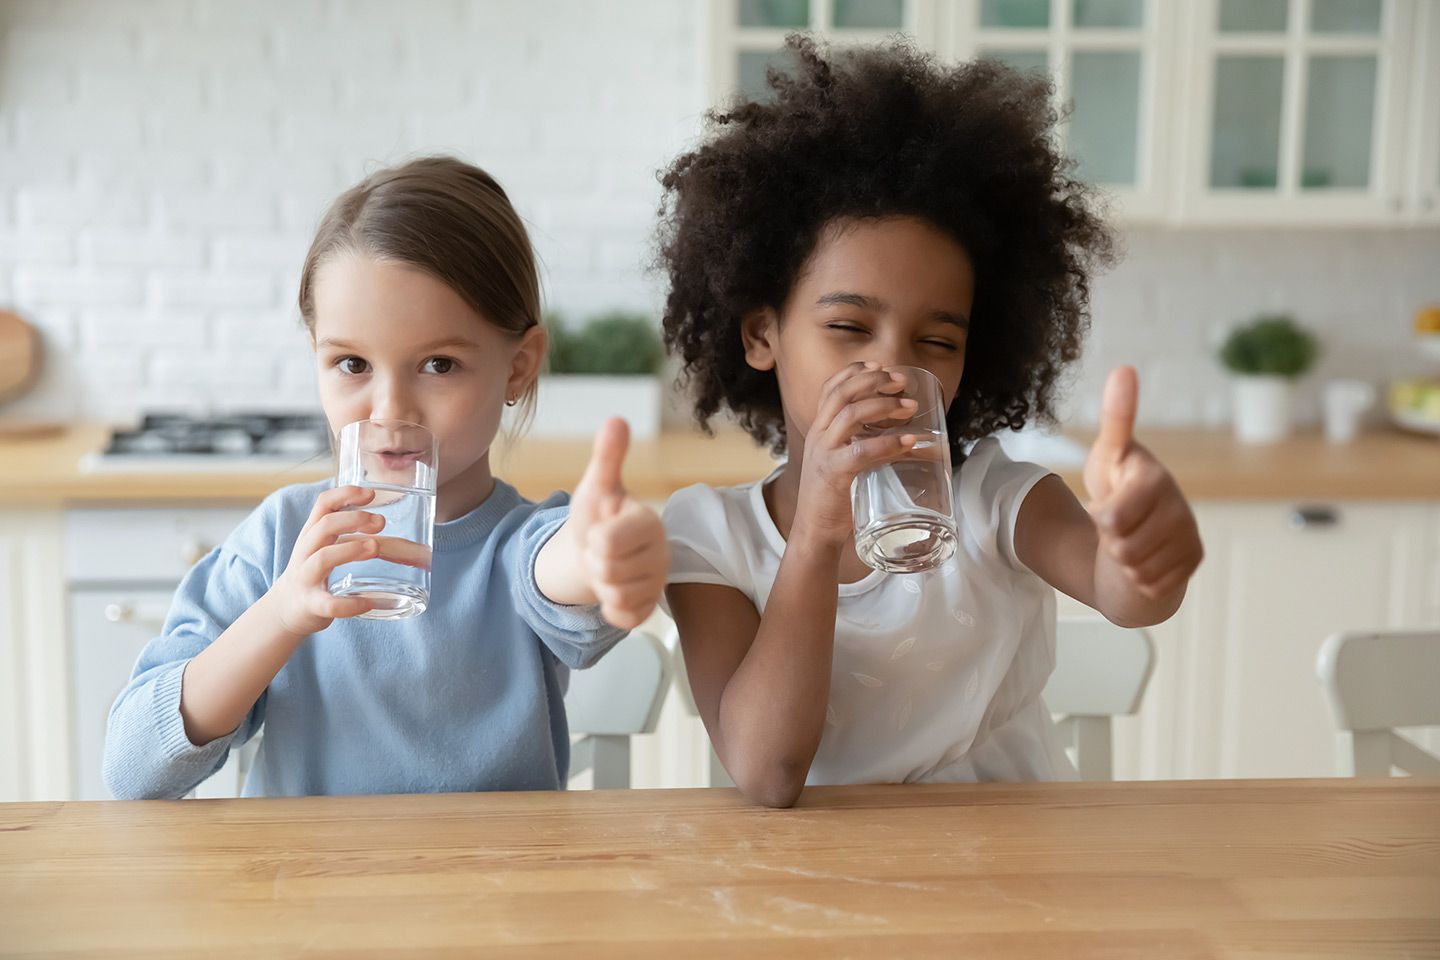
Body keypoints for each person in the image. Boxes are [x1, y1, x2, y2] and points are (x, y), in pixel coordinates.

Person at [656, 38, 1203, 807]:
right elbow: (768, 771)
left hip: (1017, 880)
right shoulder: (709, 537)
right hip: (815, 897)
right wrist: (815, 532)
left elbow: (1123, 592)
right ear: (761, 335)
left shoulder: (997, 500)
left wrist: (1145, 555)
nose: (891, 367)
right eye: (849, 327)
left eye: (937, 341)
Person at [104, 156, 668, 798]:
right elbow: (132, 771)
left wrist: (598, 552)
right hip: (313, 892)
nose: (389, 409)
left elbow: (558, 576)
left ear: (517, 368)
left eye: (438, 364)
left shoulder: (521, 546)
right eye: (351, 363)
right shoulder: (280, 539)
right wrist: (281, 613)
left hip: (494, 892)